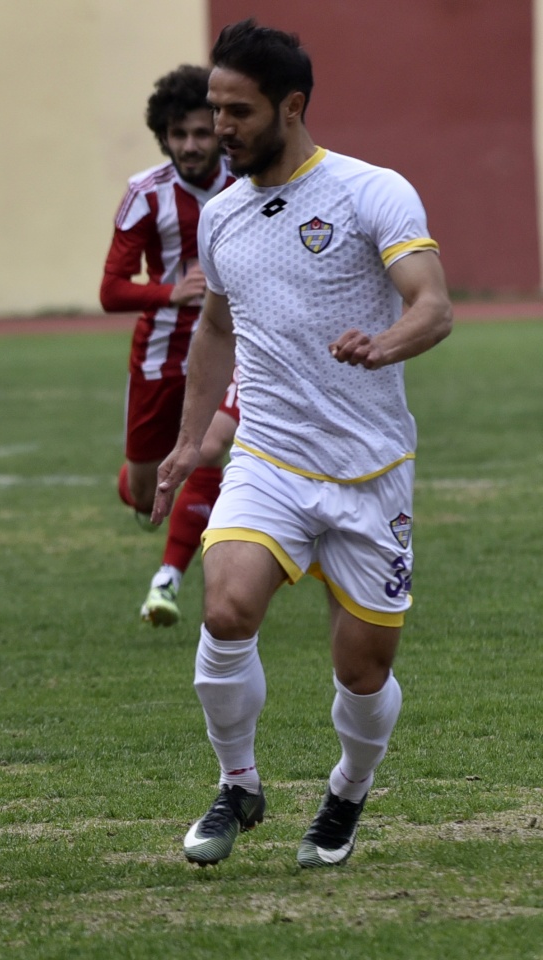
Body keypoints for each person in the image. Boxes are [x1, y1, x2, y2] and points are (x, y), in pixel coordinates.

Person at [152, 20, 452, 869]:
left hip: (371, 474)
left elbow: (432, 303)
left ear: (292, 105)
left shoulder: (369, 192)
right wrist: (189, 442)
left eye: (238, 112)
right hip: (269, 459)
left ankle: (349, 792)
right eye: (213, 111)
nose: (220, 131)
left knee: (362, 672)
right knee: (224, 607)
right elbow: (214, 330)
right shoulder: (222, 218)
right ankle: (238, 782)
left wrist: (384, 343)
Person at [100, 65, 239, 627]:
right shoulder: (145, 194)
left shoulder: (249, 185)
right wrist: (169, 291)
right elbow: (111, 290)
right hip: (159, 356)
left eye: (201, 133)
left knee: (208, 449)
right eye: (179, 134)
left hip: (234, 349)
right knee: (143, 493)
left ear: (220, 132)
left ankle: (168, 580)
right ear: (165, 134)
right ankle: (138, 488)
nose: (190, 145)